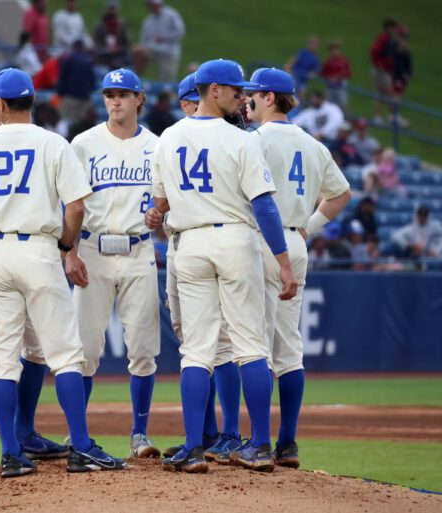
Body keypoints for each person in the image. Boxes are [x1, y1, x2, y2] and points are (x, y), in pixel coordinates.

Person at [0, 67, 126, 477]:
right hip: (40, 249)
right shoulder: (53, 143)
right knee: (63, 353)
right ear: (33, 102)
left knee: (1, 361)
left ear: (1, 104)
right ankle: (80, 446)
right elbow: (77, 206)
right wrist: (65, 246)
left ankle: (11, 453)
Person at [146, 59, 297, 474]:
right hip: (234, 238)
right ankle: (261, 446)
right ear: (212, 89)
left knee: (196, 350)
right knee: (250, 344)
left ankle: (194, 448)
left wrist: (155, 215)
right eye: (234, 90)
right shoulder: (240, 140)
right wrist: (284, 263)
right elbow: (264, 205)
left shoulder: (169, 137)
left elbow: (158, 202)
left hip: (190, 242)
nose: (241, 97)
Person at [244, 67, 351, 468]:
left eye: (253, 94)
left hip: (262, 241)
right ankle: (288, 443)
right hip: (295, 241)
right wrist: (309, 227)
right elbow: (341, 193)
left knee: (254, 344)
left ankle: (257, 442)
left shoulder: (253, 140)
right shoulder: (312, 144)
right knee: (288, 348)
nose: (247, 100)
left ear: (270, 97)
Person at [67, 69, 160, 459]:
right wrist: (68, 251)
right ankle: (79, 436)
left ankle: (139, 434)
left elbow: (169, 202)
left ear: (140, 98)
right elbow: (67, 202)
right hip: (92, 250)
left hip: (139, 249)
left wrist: (162, 219)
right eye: (110, 94)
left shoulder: (159, 146)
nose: (115, 101)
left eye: (123, 94)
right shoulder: (83, 144)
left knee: (143, 347)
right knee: (84, 348)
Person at [158, 72, 244, 464]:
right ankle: (206, 433)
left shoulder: (220, 135)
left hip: (206, 241)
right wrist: (155, 214)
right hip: (181, 242)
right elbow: (161, 203)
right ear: (184, 102)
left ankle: (229, 433)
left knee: (218, 342)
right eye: (188, 99)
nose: (193, 105)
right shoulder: (179, 135)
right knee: (190, 338)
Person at [133, 0, 185, 81]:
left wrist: (164, 37)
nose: (149, 7)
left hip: (169, 52)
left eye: (151, 4)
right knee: (138, 50)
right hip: (153, 51)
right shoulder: (148, 21)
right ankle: (137, 79)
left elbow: (180, 32)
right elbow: (143, 40)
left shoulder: (171, 15)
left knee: (168, 79)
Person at [56, 40, 95, 125]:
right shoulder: (88, 61)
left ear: (73, 48)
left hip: (70, 98)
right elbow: (92, 81)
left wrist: (60, 93)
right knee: (82, 126)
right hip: (85, 98)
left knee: (66, 124)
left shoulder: (68, 59)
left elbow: (62, 78)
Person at [369, 19, 399, 124]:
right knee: (381, 93)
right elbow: (374, 51)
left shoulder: (388, 39)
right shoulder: (383, 38)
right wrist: (379, 65)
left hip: (385, 70)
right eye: (393, 28)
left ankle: (391, 116)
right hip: (381, 71)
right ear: (388, 28)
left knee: (386, 93)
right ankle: (380, 116)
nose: (394, 30)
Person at [93, 0, 130, 70]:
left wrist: (119, 48)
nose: (112, 11)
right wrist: (105, 48)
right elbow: (96, 41)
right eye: (111, 9)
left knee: (117, 64)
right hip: (103, 53)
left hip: (119, 54)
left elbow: (126, 42)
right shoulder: (100, 25)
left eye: (114, 9)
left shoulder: (122, 25)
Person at [284, 35, 320, 101]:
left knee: (301, 96)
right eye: (311, 43)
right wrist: (288, 66)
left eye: (314, 43)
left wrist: (311, 74)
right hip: (295, 75)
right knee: (290, 91)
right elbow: (293, 60)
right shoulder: (302, 52)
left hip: (303, 80)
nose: (312, 45)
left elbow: (315, 71)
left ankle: (299, 108)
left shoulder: (315, 58)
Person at [320, 41, 351, 109]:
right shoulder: (327, 62)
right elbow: (323, 74)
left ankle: (342, 117)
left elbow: (348, 73)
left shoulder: (343, 61)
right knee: (329, 104)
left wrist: (339, 77)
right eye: (332, 50)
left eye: (336, 50)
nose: (334, 52)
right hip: (330, 86)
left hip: (340, 85)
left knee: (342, 104)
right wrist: (329, 78)